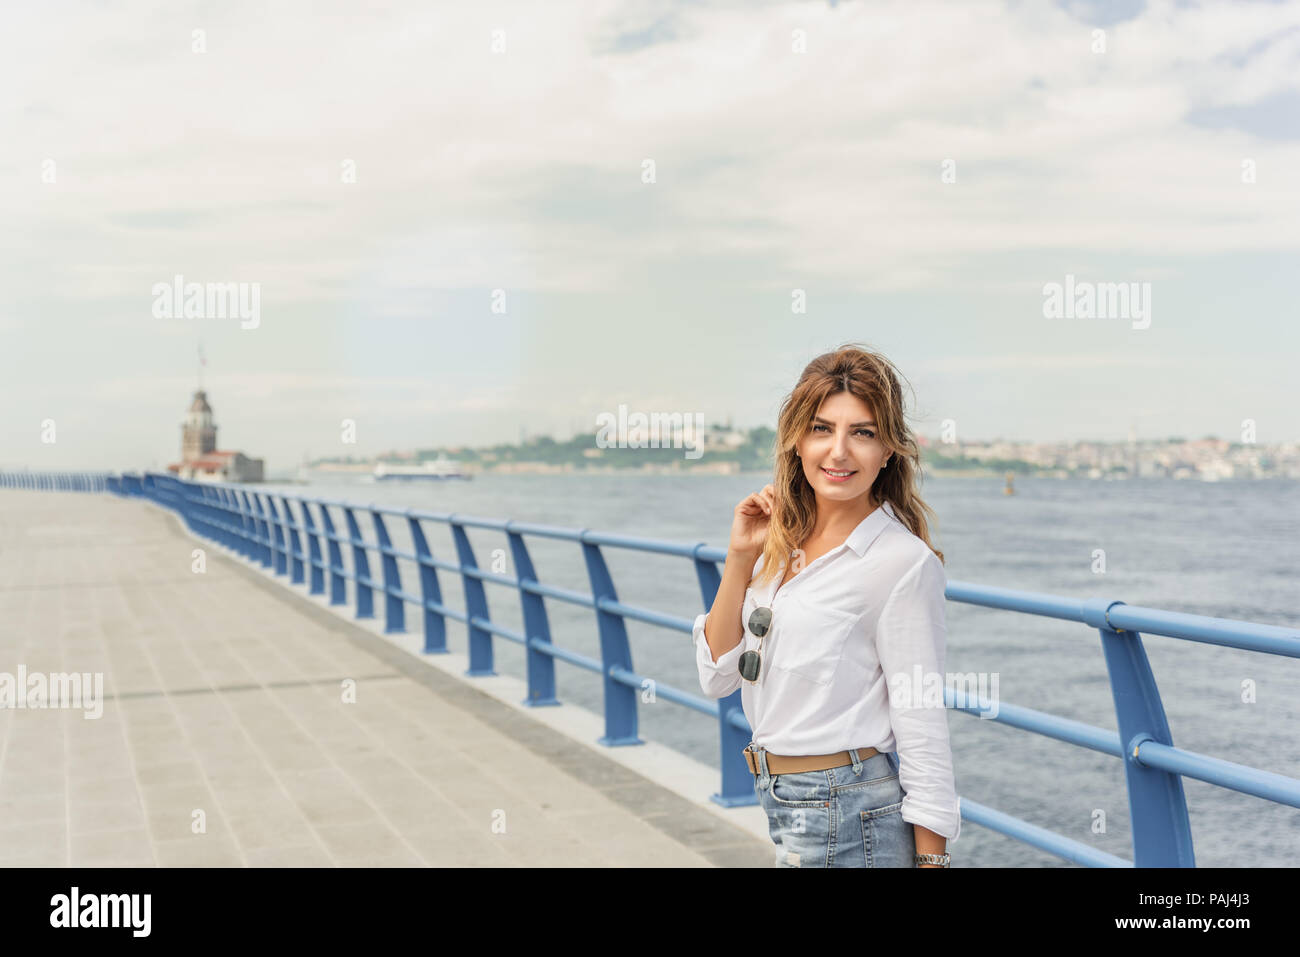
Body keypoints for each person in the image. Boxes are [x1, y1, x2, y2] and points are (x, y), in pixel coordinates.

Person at [694, 343, 960, 867]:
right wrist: (740, 555)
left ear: (888, 451)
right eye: (821, 428)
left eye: (862, 433)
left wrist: (933, 864)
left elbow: (921, 720)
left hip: (851, 812)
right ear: (796, 439)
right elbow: (717, 676)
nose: (838, 451)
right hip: (785, 804)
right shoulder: (776, 545)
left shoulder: (900, 564)